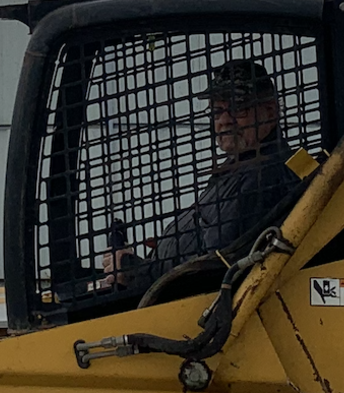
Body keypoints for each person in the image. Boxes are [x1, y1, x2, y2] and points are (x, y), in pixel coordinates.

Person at [99, 57, 300, 295]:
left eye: (239, 109)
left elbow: (215, 271)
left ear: (270, 111)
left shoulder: (264, 177)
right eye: (217, 111)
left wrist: (135, 271)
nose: (224, 120)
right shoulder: (240, 168)